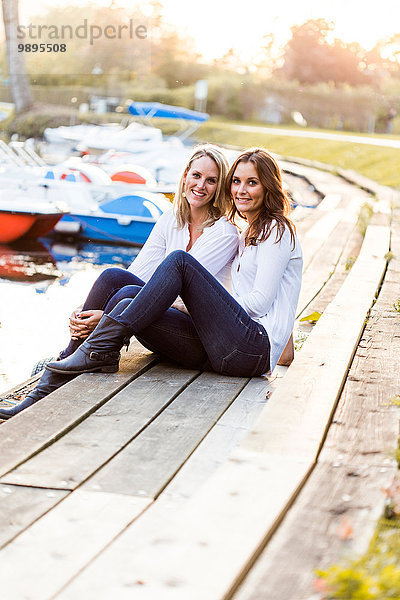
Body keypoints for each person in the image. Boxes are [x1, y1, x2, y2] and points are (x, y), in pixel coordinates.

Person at [0, 145, 238, 419]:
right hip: (162, 329)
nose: (201, 186)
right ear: (185, 176)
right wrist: (86, 309)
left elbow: (181, 298)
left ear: (219, 187)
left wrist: (109, 317)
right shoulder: (171, 221)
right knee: (113, 277)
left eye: (211, 180)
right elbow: (137, 275)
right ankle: (71, 358)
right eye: (196, 176)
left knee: (125, 297)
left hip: (199, 339)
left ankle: (53, 378)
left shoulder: (223, 232)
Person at [45, 148, 303, 381]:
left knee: (178, 262)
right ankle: (63, 367)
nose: (240, 190)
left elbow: (259, 303)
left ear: (268, 186)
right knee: (118, 283)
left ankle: (98, 348)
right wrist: (87, 309)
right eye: (236, 182)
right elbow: (276, 300)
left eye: (252, 183)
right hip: (225, 343)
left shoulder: (274, 230)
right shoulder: (250, 232)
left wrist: (110, 320)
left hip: (249, 348)